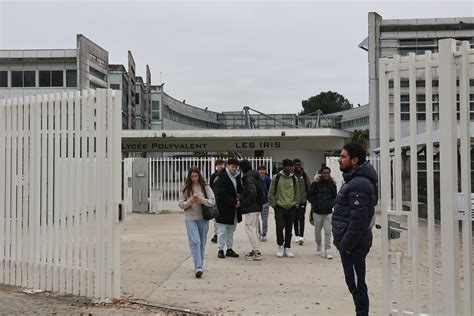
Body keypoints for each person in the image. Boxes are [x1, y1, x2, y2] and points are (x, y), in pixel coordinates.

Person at [332, 143, 377, 316]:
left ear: (355, 160)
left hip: (353, 245)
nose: (339, 159)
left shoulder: (359, 184)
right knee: (355, 284)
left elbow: (359, 220)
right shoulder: (354, 180)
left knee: (357, 285)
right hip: (350, 243)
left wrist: (346, 245)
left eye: (343, 157)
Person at [178, 167, 216, 278]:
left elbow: (212, 202)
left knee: (202, 242)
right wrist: (190, 200)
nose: (194, 178)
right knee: (195, 241)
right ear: (189, 177)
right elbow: (181, 205)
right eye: (192, 176)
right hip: (190, 218)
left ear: (199, 176)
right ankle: (198, 266)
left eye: (196, 176)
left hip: (203, 218)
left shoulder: (205, 187)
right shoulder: (185, 188)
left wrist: (201, 200)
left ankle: (200, 264)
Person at [268, 159, 299, 258]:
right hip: (279, 207)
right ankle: (280, 246)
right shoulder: (276, 178)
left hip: (291, 207)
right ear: (284, 167)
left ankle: (288, 247)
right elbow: (271, 192)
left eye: (292, 166)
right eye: (289, 166)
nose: (291, 168)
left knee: (289, 228)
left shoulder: (294, 179)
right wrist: (274, 205)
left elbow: (297, 193)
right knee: (279, 227)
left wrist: (295, 204)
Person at [214, 158, 242, 259]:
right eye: (232, 166)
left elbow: (239, 190)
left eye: (235, 167)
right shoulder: (221, 177)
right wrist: (234, 202)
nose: (234, 169)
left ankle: (229, 249)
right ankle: (220, 249)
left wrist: (239, 199)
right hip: (223, 208)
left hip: (234, 209)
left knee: (231, 230)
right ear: (227, 166)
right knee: (222, 230)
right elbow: (220, 194)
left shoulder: (237, 177)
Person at [307, 166, 337, 259]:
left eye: (328, 173)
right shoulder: (315, 184)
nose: (326, 174)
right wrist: (315, 203)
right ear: (321, 174)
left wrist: (331, 204)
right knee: (317, 231)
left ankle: (327, 249)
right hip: (317, 212)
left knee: (328, 231)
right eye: (324, 173)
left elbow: (335, 197)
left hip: (328, 212)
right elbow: (309, 195)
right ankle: (318, 244)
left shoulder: (332, 184)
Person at [239, 159, 263, 261]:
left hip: (251, 208)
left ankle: (256, 252)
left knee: (250, 229)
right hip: (257, 206)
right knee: (254, 229)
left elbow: (252, 193)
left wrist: (244, 203)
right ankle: (255, 250)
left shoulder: (248, 178)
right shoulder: (255, 176)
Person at [292, 159, 310, 245]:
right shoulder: (291, 175)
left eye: (299, 165)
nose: (298, 166)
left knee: (301, 218)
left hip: (302, 200)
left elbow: (308, 186)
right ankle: (296, 234)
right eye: (296, 165)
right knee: (295, 218)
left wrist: (308, 197)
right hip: (293, 201)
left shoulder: (304, 175)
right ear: (293, 166)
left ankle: (301, 236)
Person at [210, 159, 225, 243]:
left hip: (224, 200)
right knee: (216, 217)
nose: (220, 166)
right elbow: (211, 187)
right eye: (219, 164)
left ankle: (222, 233)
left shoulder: (227, 174)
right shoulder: (213, 176)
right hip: (216, 199)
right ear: (216, 166)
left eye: (222, 164)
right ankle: (216, 234)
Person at [257, 165, 271, 242]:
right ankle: (258, 233)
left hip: (265, 202)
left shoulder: (268, 179)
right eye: (260, 170)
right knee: (257, 220)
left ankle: (264, 234)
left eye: (263, 170)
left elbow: (270, 190)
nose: (262, 171)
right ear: (258, 171)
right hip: (257, 202)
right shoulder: (256, 179)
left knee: (264, 220)